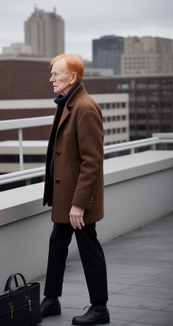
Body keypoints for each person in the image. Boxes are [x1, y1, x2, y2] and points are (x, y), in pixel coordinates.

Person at [41, 54, 110, 325]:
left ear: (73, 77)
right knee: (57, 243)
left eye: (56, 74)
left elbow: (93, 161)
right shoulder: (68, 102)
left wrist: (79, 204)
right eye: (52, 73)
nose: (51, 78)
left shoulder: (85, 107)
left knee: (88, 247)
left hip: (79, 199)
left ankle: (100, 308)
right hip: (66, 195)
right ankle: (51, 300)